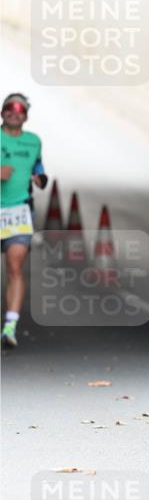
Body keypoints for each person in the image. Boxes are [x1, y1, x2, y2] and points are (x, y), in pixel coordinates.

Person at [1, 93, 47, 348]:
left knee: (14, 266)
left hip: (19, 212)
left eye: (20, 109)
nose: (14, 112)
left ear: (26, 116)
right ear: (2, 112)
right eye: (9, 107)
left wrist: (40, 179)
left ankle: (10, 326)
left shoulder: (34, 142)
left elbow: (38, 166)